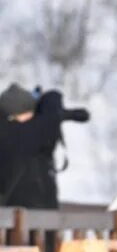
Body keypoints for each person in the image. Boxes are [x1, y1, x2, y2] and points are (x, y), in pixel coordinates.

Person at [0, 82, 89, 210]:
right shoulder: (19, 133)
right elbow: (53, 98)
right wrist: (43, 102)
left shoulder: (11, 131)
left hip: (14, 218)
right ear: (14, 116)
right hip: (30, 219)